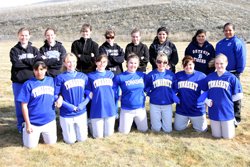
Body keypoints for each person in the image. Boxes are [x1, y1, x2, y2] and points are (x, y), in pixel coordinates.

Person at [200, 54, 243, 139]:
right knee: (216, 135)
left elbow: (239, 95)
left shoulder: (231, 77)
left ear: (226, 63)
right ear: (215, 64)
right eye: (217, 63)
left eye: (221, 63)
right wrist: (207, 101)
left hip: (226, 110)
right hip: (214, 110)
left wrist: (229, 100)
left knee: (228, 137)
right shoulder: (209, 77)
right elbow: (202, 92)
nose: (219, 65)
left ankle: (232, 120)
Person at [17, 60, 57, 148]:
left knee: (52, 143)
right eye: (36, 69)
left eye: (42, 69)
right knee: (30, 146)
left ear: (46, 69)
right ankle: (24, 127)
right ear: (33, 70)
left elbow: (59, 92)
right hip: (33, 122)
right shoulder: (27, 84)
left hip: (49, 121)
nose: (39, 72)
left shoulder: (52, 81)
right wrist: (28, 124)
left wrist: (60, 98)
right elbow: (24, 105)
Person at [10, 27, 41, 133]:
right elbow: (16, 64)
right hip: (18, 81)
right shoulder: (14, 50)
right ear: (18, 36)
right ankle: (21, 125)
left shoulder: (34, 49)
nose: (24, 37)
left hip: (32, 81)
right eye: (22, 35)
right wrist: (31, 61)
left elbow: (37, 63)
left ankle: (32, 123)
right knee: (20, 104)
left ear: (29, 36)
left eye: (26, 35)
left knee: (32, 103)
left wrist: (24, 60)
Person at [54, 53, 90, 144]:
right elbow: (55, 95)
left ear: (76, 63)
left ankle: (88, 124)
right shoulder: (60, 78)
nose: (71, 64)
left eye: (73, 61)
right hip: (67, 113)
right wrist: (69, 106)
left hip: (80, 111)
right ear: (65, 64)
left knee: (82, 139)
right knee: (70, 141)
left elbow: (89, 93)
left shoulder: (83, 76)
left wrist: (82, 105)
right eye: (68, 62)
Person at [215, 22, 246, 126]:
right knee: (223, 95)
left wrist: (238, 71)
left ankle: (236, 117)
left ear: (234, 31)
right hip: (221, 72)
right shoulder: (219, 43)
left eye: (230, 30)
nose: (228, 32)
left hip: (233, 73)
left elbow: (241, 57)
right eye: (226, 30)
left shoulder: (238, 42)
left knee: (235, 95)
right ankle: (224, 115)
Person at [113, 53, 148, 134]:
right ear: (127, 64)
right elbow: (112, 89)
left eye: (135, 63)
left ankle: (134, 121)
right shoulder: (120, 77)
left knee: (143, 130)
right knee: (123, 132)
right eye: (131, 63)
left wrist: (145, 94)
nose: (133, 65)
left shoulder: (142, 75)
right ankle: (122, 121)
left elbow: (149, 86)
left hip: (140, 108)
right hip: (126, 109)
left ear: (138, 64)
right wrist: (118, 97)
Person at [174, 56, 208, 132]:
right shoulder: (178, 75)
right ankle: (187, 119)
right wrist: (173, 96)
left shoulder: (201, 76)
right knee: (178, 128)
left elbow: (207, 91)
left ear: (194, 64)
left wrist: (203, 98)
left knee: (202, 130)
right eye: (185, 65)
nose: (188, 67)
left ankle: (194, 119)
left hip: (196, 109)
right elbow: (173, 89)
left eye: (190, 64)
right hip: (182, 109)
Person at [145, 54, 177, 133]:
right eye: (159, 61)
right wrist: (150, 94)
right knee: (156, 129)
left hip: (167, 104)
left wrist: (171, 95)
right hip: (155, 104)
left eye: (164, 62)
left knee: (168, 129)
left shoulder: (171, 75)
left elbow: (175, 88)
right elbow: (145, 88)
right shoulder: (151, 75)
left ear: (167, 63)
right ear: (156, 62)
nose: (162, 64)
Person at [86, 54, 116, 138]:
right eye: (99, 61)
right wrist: (88, 93)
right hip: (97, 106)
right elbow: (86, 89)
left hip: (109, 106)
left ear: (107, 63)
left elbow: (114, 89)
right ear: (96, 63)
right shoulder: (90, 75)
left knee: (108, 135)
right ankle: (90, 124)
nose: (101, 64)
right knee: (98, 136)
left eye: (104, 62)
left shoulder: (111, 74)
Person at [99, 29, 125, 119]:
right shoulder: (102, 48)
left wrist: (110, 58)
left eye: (112, 37)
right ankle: (107, 112)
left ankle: (115, 113)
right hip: (107, 76)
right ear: (105, 37)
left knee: (116, 95)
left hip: (117, 76)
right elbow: (105, 62)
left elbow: (121, 59)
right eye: (108, 37)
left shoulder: (118, 47)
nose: (110, 39)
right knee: (107, 95)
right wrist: (115, 60)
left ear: (114, 37)